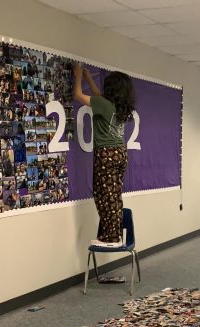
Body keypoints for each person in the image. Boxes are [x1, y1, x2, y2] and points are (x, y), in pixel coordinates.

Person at [73, 64, 135, 247]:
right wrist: (88, 78)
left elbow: (78, 95)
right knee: (114, 195)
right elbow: (98, 95)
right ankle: (114, 234)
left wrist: (78, 77)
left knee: (103, 195)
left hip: (105, 155)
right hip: (120, 153)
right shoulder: (119, 106)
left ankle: (111, 237)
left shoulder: (103, 104)